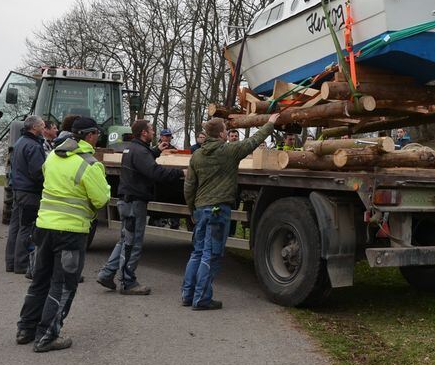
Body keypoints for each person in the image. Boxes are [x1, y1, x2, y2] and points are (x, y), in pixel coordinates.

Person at [16, 117, 110, 352]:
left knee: (40, 281)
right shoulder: (89, 164)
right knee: (63, 284)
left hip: (43, 228)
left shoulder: (52, 157)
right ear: (89, 136)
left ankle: (26, 329)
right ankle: (47, 336)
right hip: (70, 232)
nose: (98, 137)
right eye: (96, 133)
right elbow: (101, 199)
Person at [182, 114, 278, 310]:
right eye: (226, 130)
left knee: (197, 252)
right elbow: (254, 141)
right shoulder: (228, 151)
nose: (228, 133)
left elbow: (189, 186)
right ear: (220, 134)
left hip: (201, 209)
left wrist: (192, 209)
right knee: (211, 255)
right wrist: (270, 124)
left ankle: (187, 294)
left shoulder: (197, 155)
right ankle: (201, 299)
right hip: (218, 210)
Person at [96, 119, 184, 295]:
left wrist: (157, 150)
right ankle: (128, 282)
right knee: (133, 243)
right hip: (134, 203)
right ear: (144, 133)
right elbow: (155, 172)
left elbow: (144, 160)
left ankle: (107, 274)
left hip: (127, 201)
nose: (153, 132)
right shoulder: (139, 151)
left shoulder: (133, 148)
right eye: (151, 130)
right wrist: (180, 172)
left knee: (125, 241)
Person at [5, 116, 46, 274]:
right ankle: (21, 264)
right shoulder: (34, 146)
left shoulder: (19, 142)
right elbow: (37, 172)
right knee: (26, 228)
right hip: (29, 192)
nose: (44, 128)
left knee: (15, 226)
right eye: (42, 126)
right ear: (35, 128)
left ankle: (11, 262)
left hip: (17, 190)